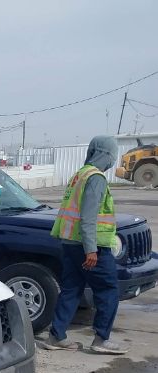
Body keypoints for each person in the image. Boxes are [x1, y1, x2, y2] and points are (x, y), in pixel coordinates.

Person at [38, 135, 128, 354]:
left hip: (71, 243)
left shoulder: (79, 175)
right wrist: (91, 250)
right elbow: (88, 217)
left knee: (72, 289)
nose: (113, 160)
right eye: (113, 155)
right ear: (106, 154)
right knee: (108, 290)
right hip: (90, 246)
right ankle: (101, 339)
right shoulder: (96, 178)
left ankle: (56, 336)